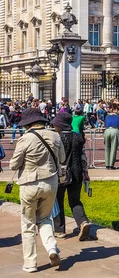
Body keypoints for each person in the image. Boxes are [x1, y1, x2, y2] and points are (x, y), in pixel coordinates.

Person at [9, 108, 65, 272]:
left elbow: (13, 164)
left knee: (28, 224)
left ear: (28, 124)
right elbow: (61, 158)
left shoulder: (25, 139)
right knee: (45, 219)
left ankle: (30, 263)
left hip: (30, 183)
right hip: (50, 182)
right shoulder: (55, 135)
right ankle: (52, 249)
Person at [50, 112, 92, 241]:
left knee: (58, 201)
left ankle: (59, 229)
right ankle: (83, 222)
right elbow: (83, 156)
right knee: (75, 200)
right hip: (77, 172)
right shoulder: (78, 137)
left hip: (61, 174)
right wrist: (85, 172)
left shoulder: (57, 138)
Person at [103, 104, 119, 169]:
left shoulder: (107, 116)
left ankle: (107, 164)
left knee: (107, 148)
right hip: (114, 130)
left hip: (107, 130)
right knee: (113, 148)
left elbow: (105, 124)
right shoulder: (118, 117)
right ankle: (111, 164)